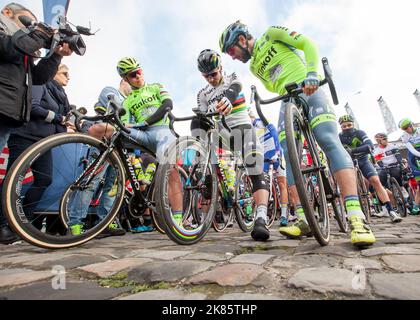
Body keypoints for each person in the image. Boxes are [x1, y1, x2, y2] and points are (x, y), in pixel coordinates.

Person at [219, 21, 376, 247]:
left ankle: (356, 216)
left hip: (309, 87)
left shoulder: (271, 34)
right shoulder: (253, 67)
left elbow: (307, 43)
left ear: (242, 40)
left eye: (231, 51)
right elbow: (273, 86)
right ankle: (303, 217)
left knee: (327, 139)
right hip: (287, 98)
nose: (232, 57)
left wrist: (311, 72)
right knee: (289, 154)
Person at [0, 2, 72, 244]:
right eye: (26, 22)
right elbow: (10, 48)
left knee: (40, 179)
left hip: (12, 116)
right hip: (10, 114)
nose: (31, 27)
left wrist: (56, 54)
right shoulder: (7, 35)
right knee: (13, 178)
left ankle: (17, 225)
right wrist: (41, 31)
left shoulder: (21, 47)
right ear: (7, 13)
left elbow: (38, 77)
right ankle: (6, 223)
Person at [89, 57, 184, 226]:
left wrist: (146, 122)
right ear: (125, 79)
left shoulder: (156, 87)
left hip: (162, 131)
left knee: (171, 170)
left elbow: (167, 105)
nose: (137, 76)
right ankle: (111, 169)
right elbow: (126, 124)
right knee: (98, 130)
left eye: (138, 71)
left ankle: (177, 217)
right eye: (132, 75)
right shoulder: (128, 100)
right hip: (142, 135)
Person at [192, 49, 270, 241]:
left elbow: (235, 87)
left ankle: (260, 217)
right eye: (206, 76)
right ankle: (208, 168)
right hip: (222, 135)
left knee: (254, 168)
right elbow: (203, 116)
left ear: (220, 68)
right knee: (197, 122)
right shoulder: (203, 93)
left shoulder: (231, 78)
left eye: (214, 74)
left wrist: (227, 99)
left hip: (242, 129)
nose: (211, 78)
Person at [339, 116, 402, 223]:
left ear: (353, 125)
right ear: (341, 127)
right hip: (349, 162)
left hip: (363, 160)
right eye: (344, 126)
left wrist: (352, 151)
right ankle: (349, 210)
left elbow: (369, 146)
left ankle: (391, 210)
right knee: (347, 185)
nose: (347, 127)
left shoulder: (360, 133)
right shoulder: (339, 136)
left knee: (376, 181)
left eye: (349, 125)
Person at [252, 117, 289, 227]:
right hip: (264, 156)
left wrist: (277, 151)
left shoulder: (259, 120)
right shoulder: (248, 129)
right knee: (262, 184)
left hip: (276, 153)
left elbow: (273, 130)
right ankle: (260, 213)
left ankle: (283, 214)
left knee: (282, 183)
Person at [373, 132, 417, 214]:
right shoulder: (376, 150)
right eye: (384, 139)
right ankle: (384, 208)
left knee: (397, 173)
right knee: (380, 184)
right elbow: (378, 161)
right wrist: (382, 166)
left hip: (395, 166)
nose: (386, 140)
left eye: (386, 138)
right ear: (379, 141)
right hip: (384, 168)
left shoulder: (392, 146)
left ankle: (401, 188)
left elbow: (398, 156)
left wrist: (400, 163)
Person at [399, 118, 420, 211]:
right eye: (404, 129)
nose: (406, 130)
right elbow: (412, 150)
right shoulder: (404, 136)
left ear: (411, 125)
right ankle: (416, 205)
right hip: (414, 156)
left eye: (407, 127)